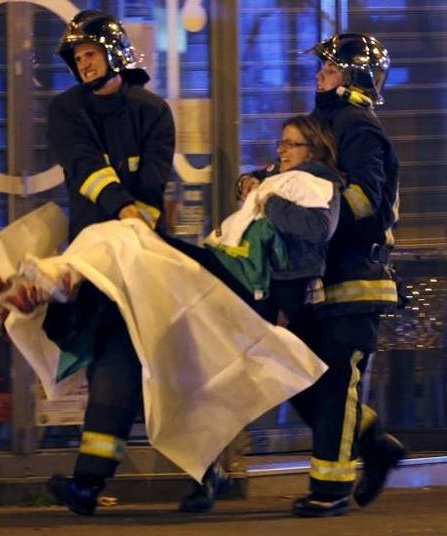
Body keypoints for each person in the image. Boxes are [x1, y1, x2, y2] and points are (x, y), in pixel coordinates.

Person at [264, 33, 405, 517]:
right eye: (321, 66)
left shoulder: (358, 126)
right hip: (319, 278)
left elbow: (365, 202)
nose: (320, 74)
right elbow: (300, 177)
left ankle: (331, 488)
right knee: (304, 379)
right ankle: (374, 443)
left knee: (336, 384)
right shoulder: (326, 123)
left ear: (355, 74)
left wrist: (313, 218)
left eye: (331, 67)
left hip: (355, 274)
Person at [172, 114, 344, 512]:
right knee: (222, 380)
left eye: (290, 144)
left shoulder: (319, 182)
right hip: (256, 288)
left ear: (313, 150)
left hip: (282, 296)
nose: (281, 150)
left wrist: (268, 198)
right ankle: (206, 471)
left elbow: (317, 228)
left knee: (291, 386)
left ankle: (358, 447)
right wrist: (249, 184)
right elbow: (251, 182)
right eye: (281, 143)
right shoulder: (280, 174)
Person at [43, 10, 174, 515]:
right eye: (78, 58)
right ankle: (92, 481)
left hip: (144, 258)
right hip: (97, 257)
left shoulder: (153, 111)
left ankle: (92, 482)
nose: (84, 64)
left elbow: (155, 179)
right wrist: (125, 211)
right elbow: (84, 168)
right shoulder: (66, 110)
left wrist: (139, 222)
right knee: (114, 364)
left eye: (91, 54)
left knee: (143, 368)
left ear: (115, 53)